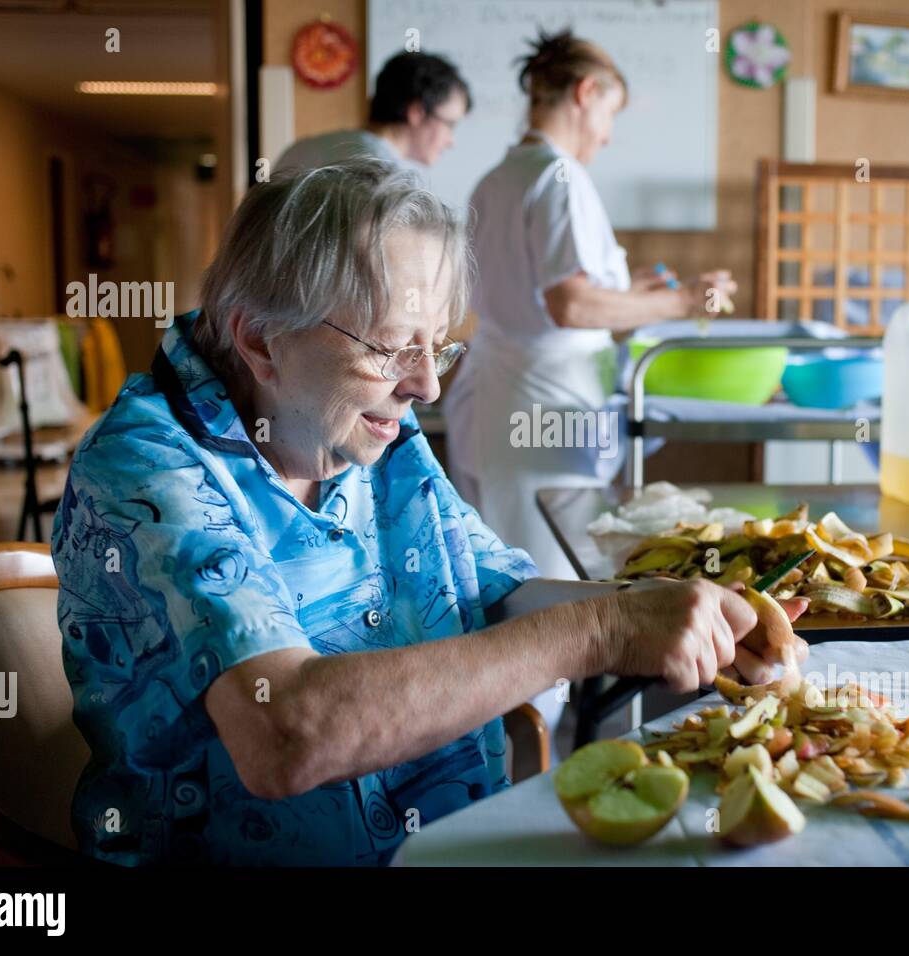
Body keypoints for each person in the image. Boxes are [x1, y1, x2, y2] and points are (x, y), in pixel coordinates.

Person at [50, 160, 806, 866]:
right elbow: (283, 731)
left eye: (436, 348)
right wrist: (603, 631)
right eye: (390, 348)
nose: (426, 388)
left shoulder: (360, 420)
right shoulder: (147, 466)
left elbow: (491, 589)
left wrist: (674, 613)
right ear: (260, 339)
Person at [443, 28, 737, 584]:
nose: (606, 136)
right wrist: (684, 301)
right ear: (585, 93)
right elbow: (571, 305)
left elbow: (544, 292)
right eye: (610, 113)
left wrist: (646, 290)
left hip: (496, 401)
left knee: (505, 574)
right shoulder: (560, 178)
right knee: (548, 585)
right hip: (543, 410)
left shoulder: (496, 179)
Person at [275, 51, 470, 174]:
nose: (452, 141)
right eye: (450, 125)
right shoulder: (390, 180)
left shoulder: (301, 150)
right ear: (416, 113)